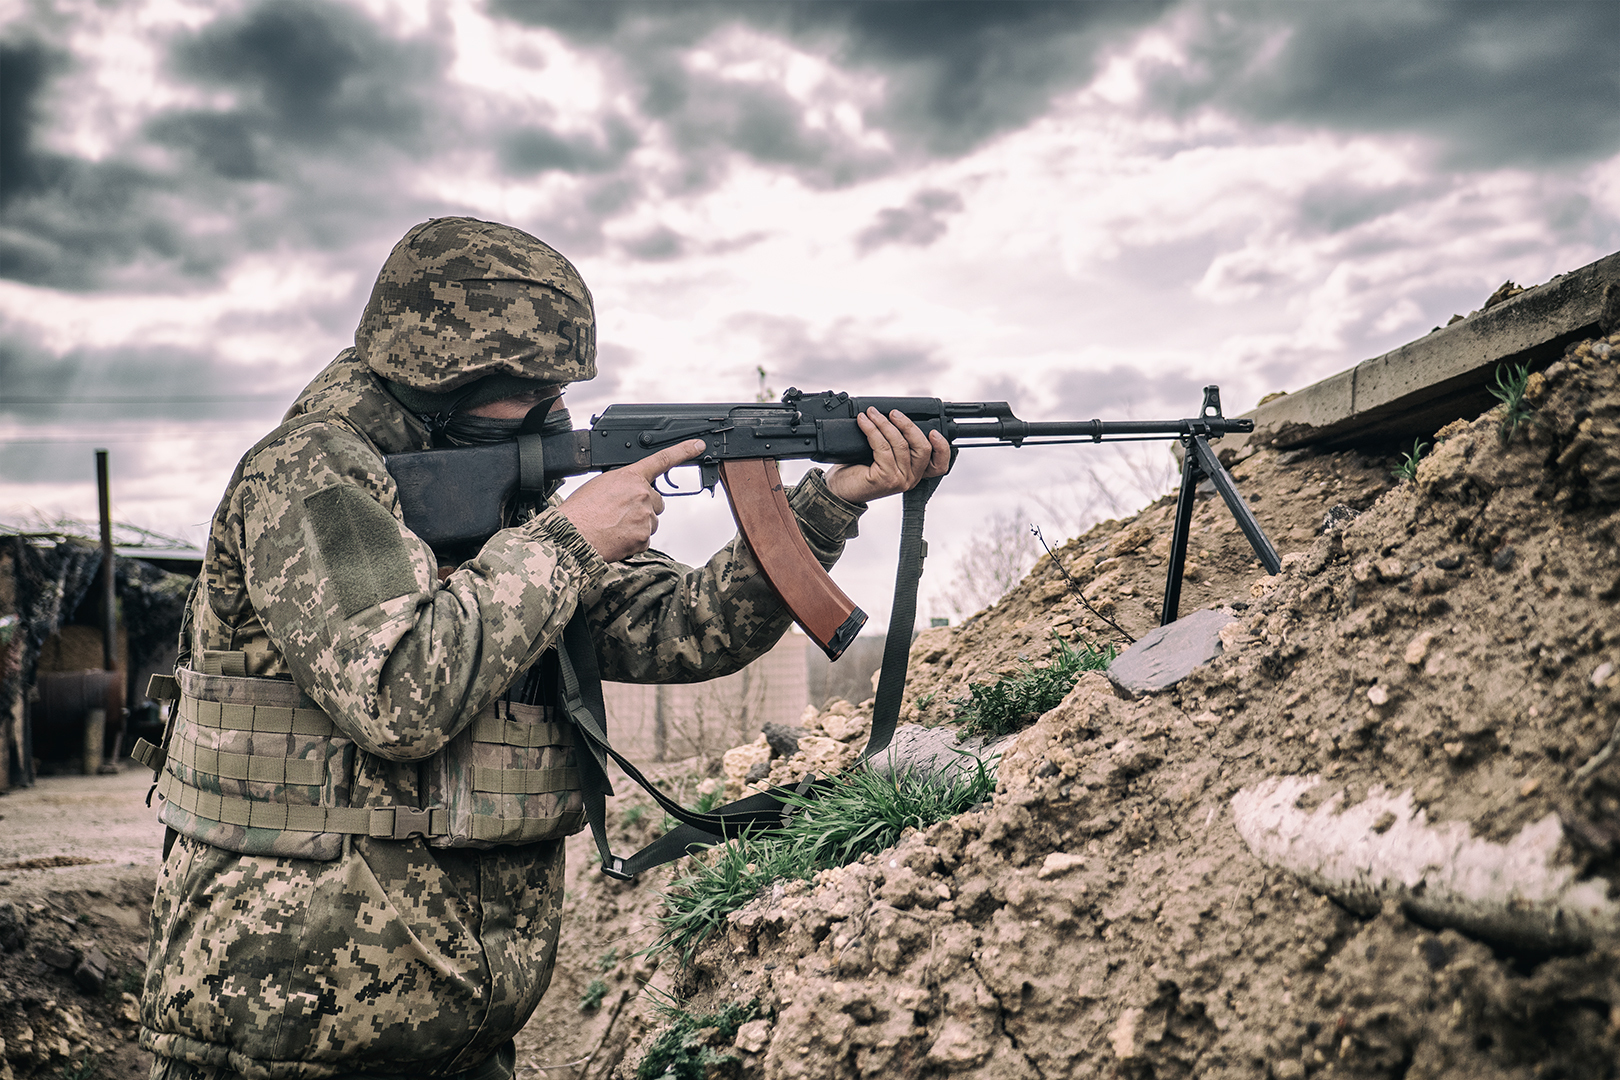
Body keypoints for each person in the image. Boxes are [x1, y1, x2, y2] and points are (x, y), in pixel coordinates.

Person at [138, 216, 948, 1079]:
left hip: (458, 1041)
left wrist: (828, 505)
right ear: (445, 372)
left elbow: (680, 628)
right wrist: (570, 541)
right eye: (529, 386)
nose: (553, 405)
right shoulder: (309, 473)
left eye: (558, 383)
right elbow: (397, 694)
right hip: (280, 1034)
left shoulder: (505, 499)